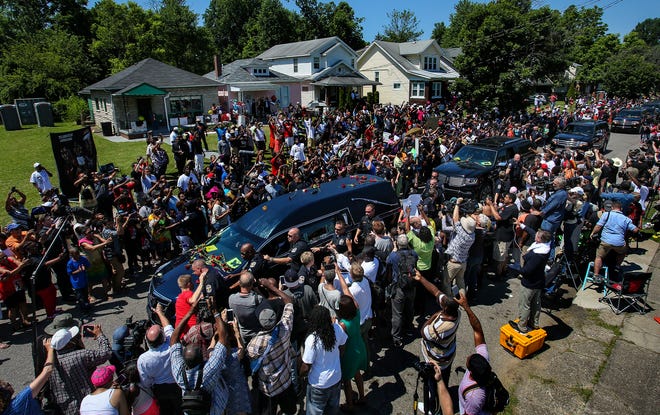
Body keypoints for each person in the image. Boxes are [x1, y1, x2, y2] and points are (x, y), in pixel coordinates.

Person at [170, 299, 230, 415]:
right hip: (214, 410)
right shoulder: (209, 370)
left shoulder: (179, 373)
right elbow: (223, 336)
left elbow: (174, 340)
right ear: (202, 357)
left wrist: (190, 312)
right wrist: (215, 311)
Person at [247, 278, 297, 415]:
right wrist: (272, 287)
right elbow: (288, 301)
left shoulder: (254, 344)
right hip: (285, 382)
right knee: (291, 410)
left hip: (268, 388)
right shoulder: (285, 329)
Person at [49, 324, 113, 415]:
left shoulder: (52, 363)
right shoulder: (80, 355)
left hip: (70, 409)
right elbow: (106, 353)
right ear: (69, 343)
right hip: (90, 404)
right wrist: (99, 335)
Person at [414, 270, 460, 388]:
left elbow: (423, 331)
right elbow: (436, 292)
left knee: (433, 382)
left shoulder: (439, 328)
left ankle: (433, 402)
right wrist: (421, 278)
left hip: (437, 360)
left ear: (444, 309)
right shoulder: (457, 312)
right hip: (449, 354)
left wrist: (434, 316)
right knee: (445, 378)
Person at [300, 306, 348, 415]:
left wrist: (300, 375)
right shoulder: (337, 329)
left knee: (315, 411)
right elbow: (343, 345)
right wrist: (337, 359)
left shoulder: (312, 339)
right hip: (336, 378)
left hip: (318, 384)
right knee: (332, 409)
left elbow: (306, 365)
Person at [137, 303, 182, 415]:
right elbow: (168, 326)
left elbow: (145, 381)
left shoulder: (143, 359)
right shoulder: (172, 344)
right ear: (163, 337)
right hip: (177, 385)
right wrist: (160, 312)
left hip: (160, 389)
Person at [456, 292, 496, 415]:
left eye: (469, 360)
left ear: (471, 371)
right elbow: (478, 330)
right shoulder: (483, 358)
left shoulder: (475, 396)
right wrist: (466, 307)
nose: (468, 356)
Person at [335, 270, 367, 412]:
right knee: (357, 373)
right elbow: (346, 290)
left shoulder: (342, 325)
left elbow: (341, 344)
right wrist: (339, 274)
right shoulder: (357, 310)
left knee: (347, 381)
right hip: (360, 346)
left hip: (349, 353)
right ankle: (362, 396)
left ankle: (349, 405)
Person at [508, 230, 552, 333]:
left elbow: (527, 271)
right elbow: (533, 232)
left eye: (536, 236)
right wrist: (524, 226)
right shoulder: (546, 247)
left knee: (525, 304)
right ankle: (534, 323)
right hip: (539, 280)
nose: (534, 236)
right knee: (536, 303)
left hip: (530, 283)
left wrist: (514, 268)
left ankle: (522, 326)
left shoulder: (537, 255)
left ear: (539, 239)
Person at [0, 338, 56, 415]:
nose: (7, 383)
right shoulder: (21, 400)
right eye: (4, 385)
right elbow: (48, 370)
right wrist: (50, 349)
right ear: (4, 394)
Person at [589, 200, 640, 277]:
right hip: (619, 243)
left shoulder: (606, 214)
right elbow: (635, 230)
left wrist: (593, 233)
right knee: (623, 252)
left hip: (605, 241)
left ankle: (596, 274)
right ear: (621, 209)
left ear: (612, 207)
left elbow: (598, 226)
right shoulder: (626, 219)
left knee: (599, 257)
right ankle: (617, 266)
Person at [386, 234, 418, 348]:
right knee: (410, 308)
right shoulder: (413, 253)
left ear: (397, 244)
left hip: (399, 287)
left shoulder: (394, 256)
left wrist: (394, 249)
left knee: (397, 314)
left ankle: (397, 337)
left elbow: (387, 262)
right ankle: (409, 328)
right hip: (411, 285)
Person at [443, 198, 476, 296]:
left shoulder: (461, 233)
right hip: (463, 262)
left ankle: (449, 301)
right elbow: (456, 222)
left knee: (446, 282)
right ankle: (463, 299)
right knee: (461, 282)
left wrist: (457, 204)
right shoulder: (472, 235)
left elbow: (455, 219)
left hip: (453, 262)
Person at [487, 193, 519, 278]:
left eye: (506, 197)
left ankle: (498, 274)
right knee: (504, 255)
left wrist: (490, 205)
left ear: (511, 200)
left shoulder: (511, 209)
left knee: (500, 257)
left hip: (503, 237)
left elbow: (498, 218)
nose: (504, 198)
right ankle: (503, 271)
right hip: (506, 235)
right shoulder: (508, 207)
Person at [227, 271, 264, 345]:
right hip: (257, 333)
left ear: (239, 283)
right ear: (252, 284)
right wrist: (256, 288)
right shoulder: (257, 299)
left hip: (242, 333)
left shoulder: (231, 298)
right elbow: (266, 305)